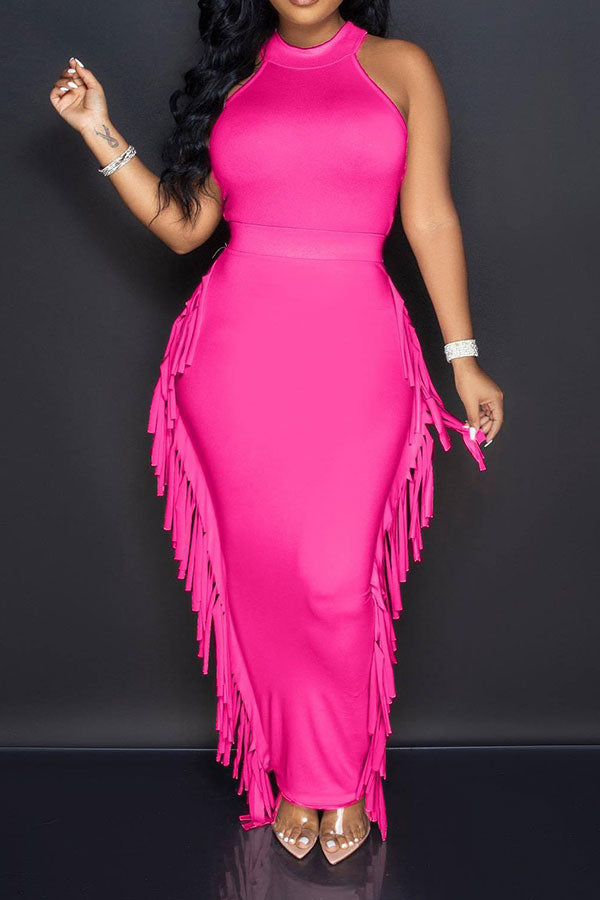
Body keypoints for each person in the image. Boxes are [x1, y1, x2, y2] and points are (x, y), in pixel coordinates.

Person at [50, 0, 504, 865]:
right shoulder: (236, 79)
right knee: (263, 583)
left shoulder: (401, 67)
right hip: (237, 362)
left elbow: (429, 217)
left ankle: (339, 776)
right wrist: (95, 128)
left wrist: (463, 356)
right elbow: (186, 228)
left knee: (334, 579)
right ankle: (297, 777)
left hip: (358, 352)